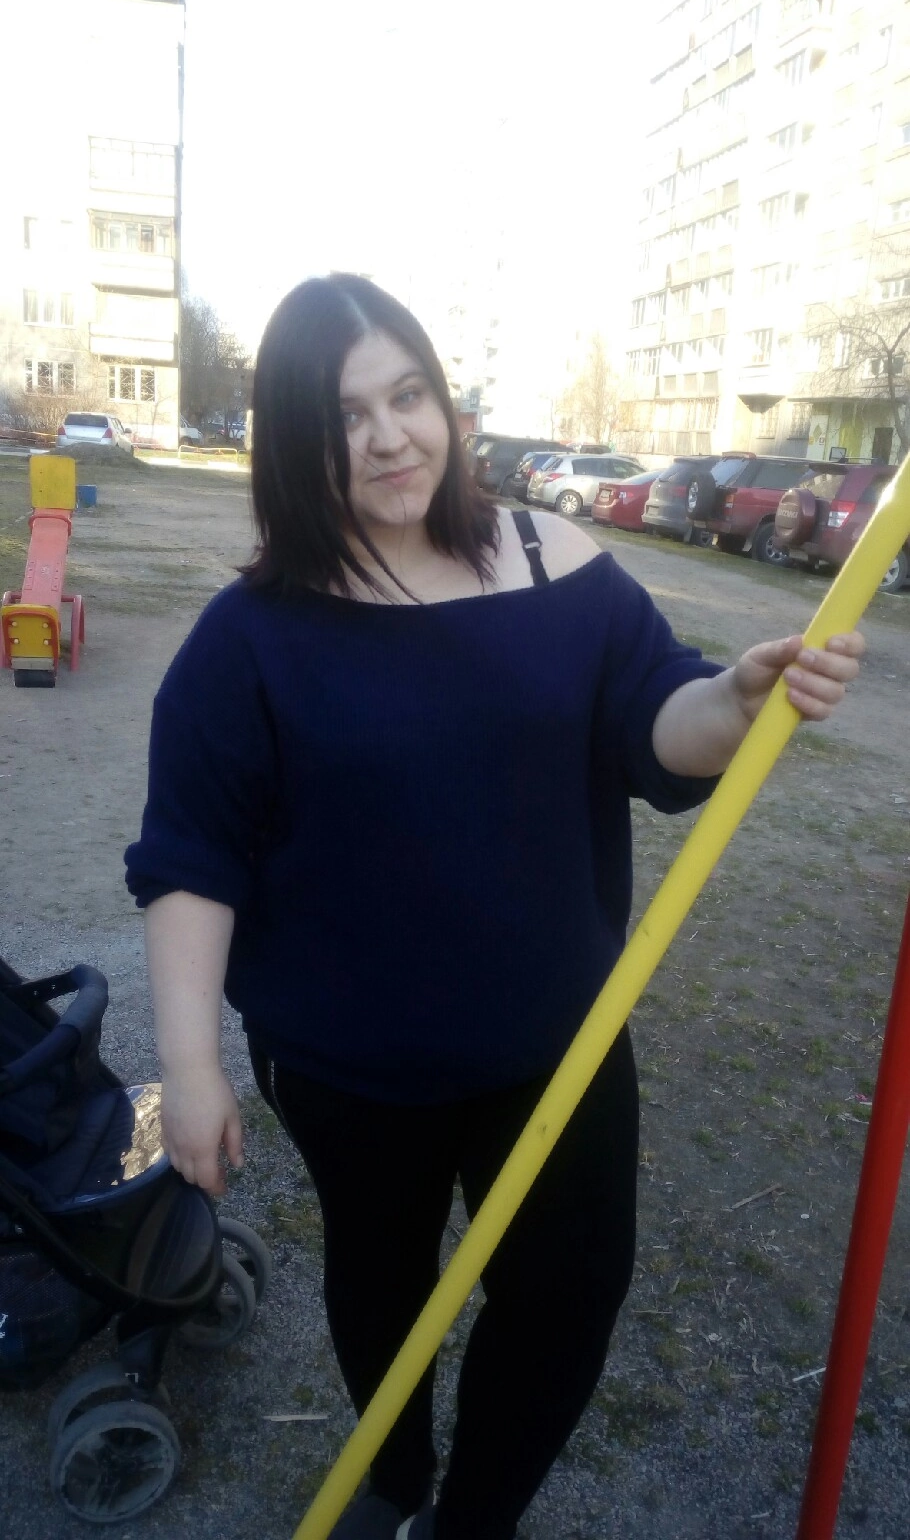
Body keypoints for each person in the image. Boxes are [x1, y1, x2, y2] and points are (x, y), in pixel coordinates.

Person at [124, 274, 864, 1540]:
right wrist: (190, 1069)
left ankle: (472, 1519)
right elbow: (191, 859)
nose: (389, 436)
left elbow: (655, 723)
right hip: (352, 1067)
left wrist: (735, 703)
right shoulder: (249, 638)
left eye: (408, 394)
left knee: (569, 1292)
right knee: (383, 1283)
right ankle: (395, 1473)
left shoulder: (551, 560)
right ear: (293, 442)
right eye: (345, 415)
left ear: (444, 404)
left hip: (558, 1044)